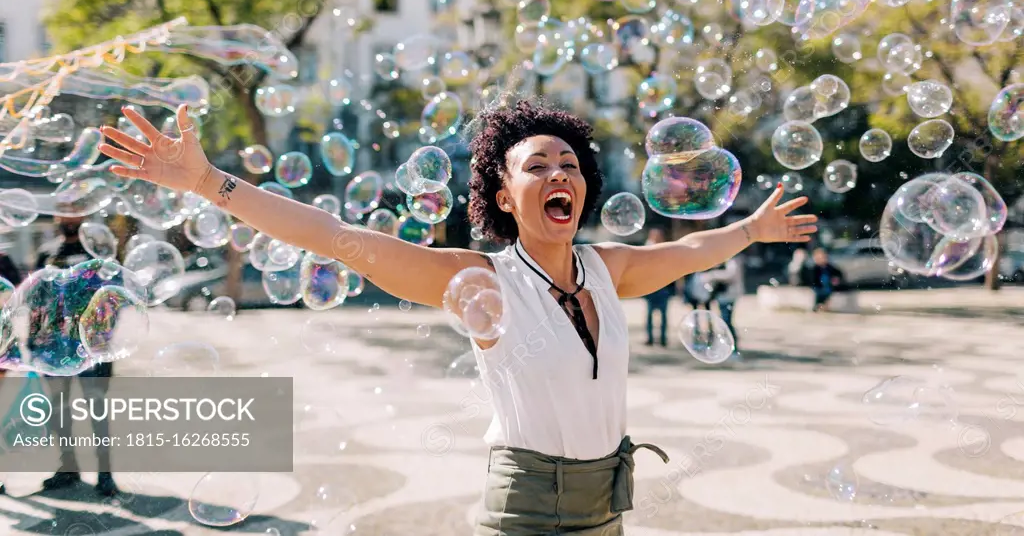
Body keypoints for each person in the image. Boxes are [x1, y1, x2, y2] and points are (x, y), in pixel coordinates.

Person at [98, 101, 817, 534]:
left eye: (568, 163)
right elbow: (334, 237)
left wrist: (750, 230)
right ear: (503, 197)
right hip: (527, 509)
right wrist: (206, 181)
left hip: (608, 504)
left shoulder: (608, 267)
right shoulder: (482, 279)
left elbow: (692, 248)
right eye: (535, 167)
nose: (558, 174)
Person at [35, 216, 119, 497]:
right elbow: (37, 299)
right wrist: (34, 341)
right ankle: (68, 467)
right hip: (55, 349)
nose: (66, 216)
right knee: (59, 412)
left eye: (74, 209)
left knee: (97, 411)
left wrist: (101, 335)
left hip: (91, 348)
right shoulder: (47, 254)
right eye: (62, 211)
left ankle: (105, 473)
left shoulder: (97, 253)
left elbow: (114, 299)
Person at [702, 255, 745, 353]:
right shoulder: (728, 258)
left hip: (729, 295)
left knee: (726, 321)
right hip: (723, 295)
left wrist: (712, 275)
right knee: (725, 321)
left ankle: (732, 348)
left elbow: (731, 274)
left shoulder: (734, 258)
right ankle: (728, 347)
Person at [641, 229, 673, 347]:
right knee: (649, 315)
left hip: (663, 288)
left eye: (658, 236)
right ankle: (650, 338)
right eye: (654, 236)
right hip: (650, 288)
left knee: (663, 315)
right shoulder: (646, 249)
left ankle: (663, 338)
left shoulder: (666, 249)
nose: (656, 238)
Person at [810, 247, 844, 313]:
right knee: (819, 293)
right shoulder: (815, 268)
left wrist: (836, 279)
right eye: (819, 258)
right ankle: (819, 305)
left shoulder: (830, 267)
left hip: (828, 286)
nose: (821, 260)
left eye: (823, 258)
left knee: (827, 292)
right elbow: (812, 280)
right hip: (818, 286)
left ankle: (821, 305)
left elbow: (839, 274)